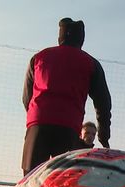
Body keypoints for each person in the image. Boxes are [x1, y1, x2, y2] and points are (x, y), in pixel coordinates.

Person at [21, 17, 112, 175]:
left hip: (38, 123)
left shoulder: (39, 58)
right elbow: (103, 103)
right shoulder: (90, 63)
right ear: (81, 40)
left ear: (60, 37)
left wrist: (35, 118)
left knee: (31, 177)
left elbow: (26, 98)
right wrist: (104, 135)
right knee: (63, 181)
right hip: (68, 127)